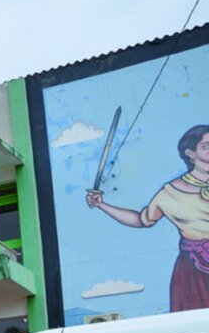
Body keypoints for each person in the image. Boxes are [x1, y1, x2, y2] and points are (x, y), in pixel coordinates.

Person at [87, 125, 209, 311]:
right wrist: (101, 204)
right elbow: (141, 220)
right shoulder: (171, 192)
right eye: (207, 146)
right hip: (196, 269)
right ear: (191, 153)